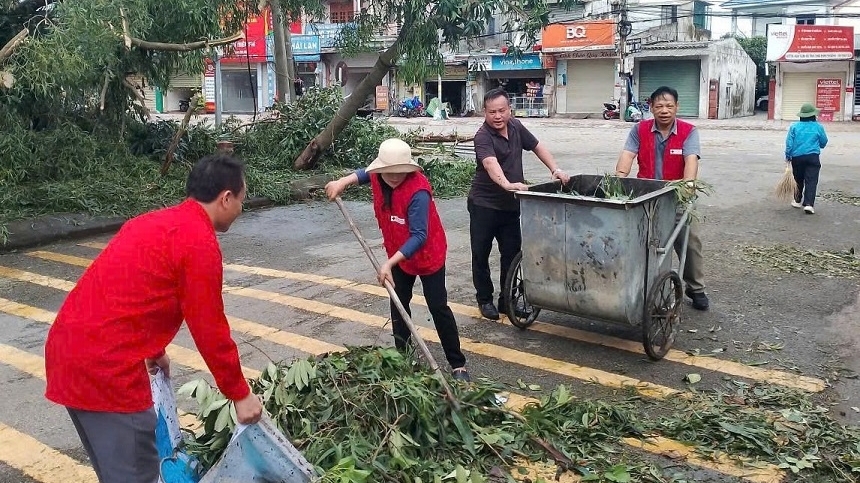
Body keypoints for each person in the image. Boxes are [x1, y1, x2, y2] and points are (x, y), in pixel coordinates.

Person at [44, 154, 263, 483]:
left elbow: (127, 290)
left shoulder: (152, 222)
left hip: (68, 354)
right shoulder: (199, 244)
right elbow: (209, 329)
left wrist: (153, 349)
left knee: (116, 472)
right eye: (242, 200)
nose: (241, 209)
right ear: (226, 198)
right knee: (136, 474)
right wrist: (239, 393)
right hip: (107, 372)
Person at [325, 138, 470, 381]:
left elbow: (420, 235)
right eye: (387, 172)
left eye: (399, 171)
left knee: (438, 307)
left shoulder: (418, 192)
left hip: (427, 254)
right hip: (397, 254)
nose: (393, 176)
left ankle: (458, 364)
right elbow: (362, 174)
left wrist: (389, 264)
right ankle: (403, 359)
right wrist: (342, 182)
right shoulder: (379, 176)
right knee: (399, 303)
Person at [469, 87, 570, 320]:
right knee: (480, 255)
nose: (497, 116)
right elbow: (489, 164)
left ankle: (507, 300)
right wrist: (506, 184)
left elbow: (537, 146)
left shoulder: (515, 127)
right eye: (492, 112)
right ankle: (484, 300)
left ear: (509, 110)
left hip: (511, 206)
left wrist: (555, 169)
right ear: (485, 112)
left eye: (502, 111)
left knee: (511, 254)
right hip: (484, 205)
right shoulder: (482, 136)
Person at [614, 86, 709, 311]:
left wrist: (688, 185)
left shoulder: (689, 131)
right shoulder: (640, 129)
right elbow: (627, 155)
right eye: (659, 106)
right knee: (641, 242)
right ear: (651, 108)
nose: (664, 110)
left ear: (677, 107)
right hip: (645, 197)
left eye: (669, 106)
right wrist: (619, 179)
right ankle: (640, 284)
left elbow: (691, 160)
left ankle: (696, 288)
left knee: (690, 241)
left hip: (676, 197)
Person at [785, 103, 828, 215]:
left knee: (798, 179)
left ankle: (797, 200)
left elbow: (789, 143)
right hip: (813, 157)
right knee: (811, 180)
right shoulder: (818, 127)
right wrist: (819, 145)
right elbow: (824, 142)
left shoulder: (794, 127)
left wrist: (788, 156)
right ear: (813, 115)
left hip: (797, 157)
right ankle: (809, 204)